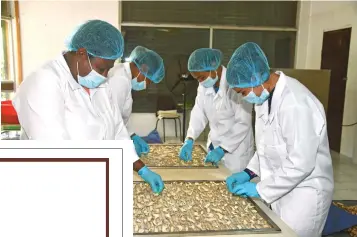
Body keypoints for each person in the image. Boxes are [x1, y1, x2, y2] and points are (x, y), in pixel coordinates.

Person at [12, 19, 164, 194]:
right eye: (101, 69)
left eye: (109, 69)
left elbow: (117, 131)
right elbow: (55, 153)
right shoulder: (44, 82)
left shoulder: (100, 85)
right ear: (82, 53)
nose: (105, 75)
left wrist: (141, 168)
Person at [225, 42, 334, 237]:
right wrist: (249, 172)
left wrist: (260, 188)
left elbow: (301, 163)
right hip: (279, 187)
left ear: (256, 78)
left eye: (243, 92)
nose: (243, 98)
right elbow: (267, 147)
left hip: (304, 193)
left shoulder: (296, 103)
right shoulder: (263, 97)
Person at [179, 48, 254, 173]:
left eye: (202, 77)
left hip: (235, 151)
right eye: (197, 79)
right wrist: (190, 138)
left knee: (232, 185)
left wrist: (223, 149)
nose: (201, 82)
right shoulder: (204, 84)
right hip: (214, 144)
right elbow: (199, 111)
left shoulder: (237, 83)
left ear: (214, 67)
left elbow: (243, 123)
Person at [107, 46, 165, 157]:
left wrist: (132, 135)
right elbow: (113, 120)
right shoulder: (120, 80)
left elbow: (119, 116)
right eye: (148, 79)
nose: (147, 84)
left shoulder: (124, 76)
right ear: (143, 68)